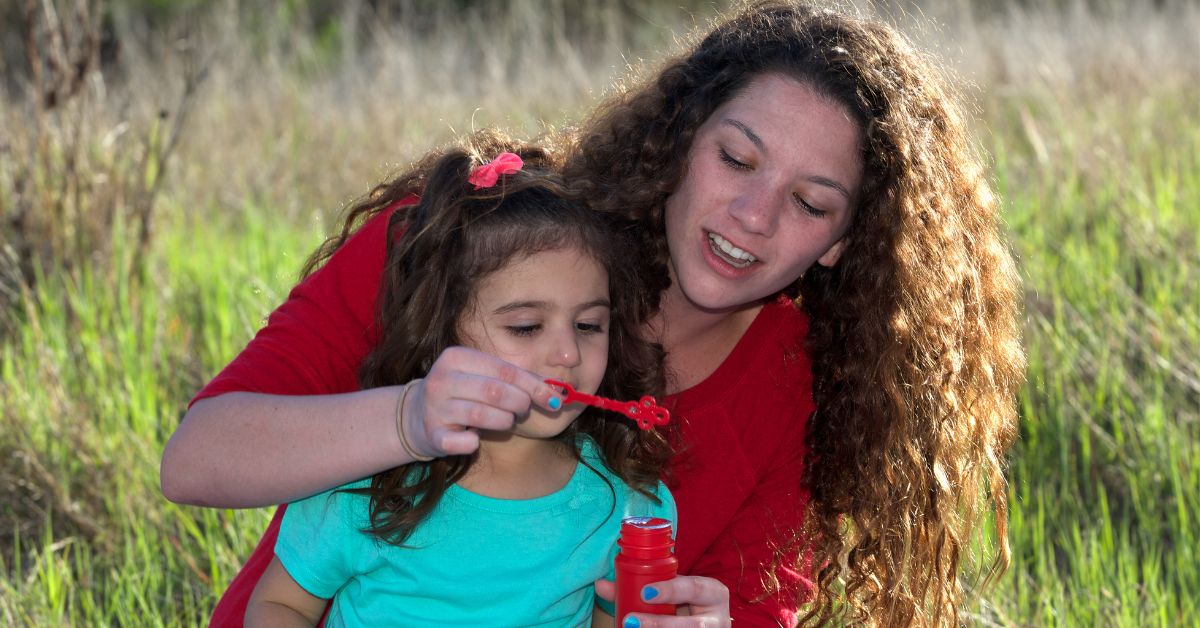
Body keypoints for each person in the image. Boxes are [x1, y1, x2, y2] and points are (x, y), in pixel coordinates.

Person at [162, 1, 1024, 626]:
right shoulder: (470, 236)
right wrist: (410, 417)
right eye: (736, 157)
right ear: (683, 136)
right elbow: (196, 464)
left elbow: (750, 612)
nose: (752, 217)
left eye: (810, 202)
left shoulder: (810, 396)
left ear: (843, 242)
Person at [243, 142, 690, 626]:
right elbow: (281, 605)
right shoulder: (366, 487)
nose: (568, 353)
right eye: (525, 326)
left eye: (587, 326)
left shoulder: (626, 508)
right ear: (440, 333)